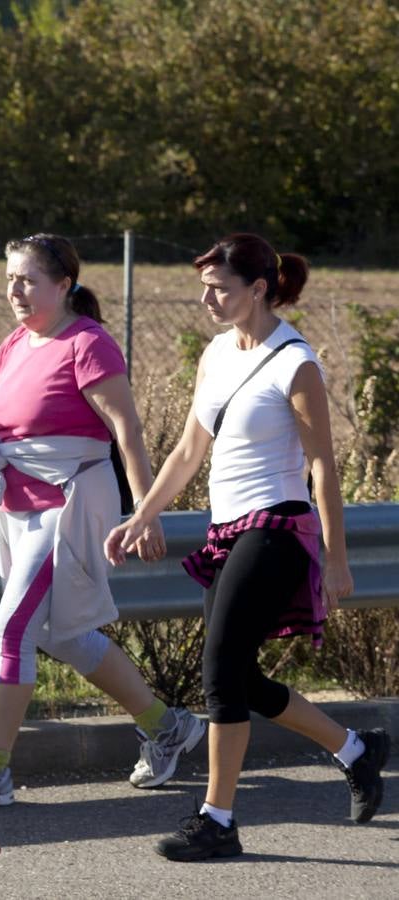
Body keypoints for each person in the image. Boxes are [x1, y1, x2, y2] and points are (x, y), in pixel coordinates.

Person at [105, 233, 390, 861]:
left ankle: (218, 820)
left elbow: (323, 467)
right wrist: (139, 516)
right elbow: (187, 454)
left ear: (258, 289)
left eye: (220, 288)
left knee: (219, 675)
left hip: (279, 528)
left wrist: (336, 557)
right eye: (204, 287)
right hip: (227, 530)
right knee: (234, 674)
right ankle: (354, 748)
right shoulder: (215, 354)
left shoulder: (296, 363)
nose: (207, 299)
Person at [0, 234, 204, 807]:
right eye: (9, 279)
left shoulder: (87, 343)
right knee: (65, 635)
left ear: (63, 284)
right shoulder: (17, 343)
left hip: (69, 503)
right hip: (20, 507)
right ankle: (166, 724)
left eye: (26, 279)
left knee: (13, 630)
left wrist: (146, 512)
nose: (14, 291)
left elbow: (128, 432)